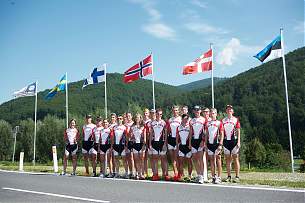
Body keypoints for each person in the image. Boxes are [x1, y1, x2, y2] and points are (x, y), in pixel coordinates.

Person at [222, 105, 241, 183]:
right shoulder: (223, 120)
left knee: (236, 159)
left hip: (234, 141)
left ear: (233, 111)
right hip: (226, 142)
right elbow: (221, 132)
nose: (229, 110)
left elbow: (238, 131)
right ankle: (229, 176)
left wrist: (239, 141)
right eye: (228, 109)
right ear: (226, 111)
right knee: (228, 160)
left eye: (230, 109)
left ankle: (237, 176)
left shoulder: (236, 120)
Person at [150, 108, 170, 181]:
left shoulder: (164, 122)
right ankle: (155, 174)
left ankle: (165, 174)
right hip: (154, 142)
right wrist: (150, 144)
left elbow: (166, 134)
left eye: (160, 114)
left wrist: (165, 144)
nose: (159, 115)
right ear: (156, 114)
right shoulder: (152, 123)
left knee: (163, 159)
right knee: (155, 159)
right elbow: (151, 133)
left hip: (162, 142)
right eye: (158, 114)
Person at [205, 108, 224, 184]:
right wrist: (205, 144)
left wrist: (220, 144)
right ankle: (213, 177)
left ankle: (219, 177)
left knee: (218, 160)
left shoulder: (219, 123)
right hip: (209, 144)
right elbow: (206, 134)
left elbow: (222, 134)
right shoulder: (207, 123)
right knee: (212, 161)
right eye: (211, 113)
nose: (212, 114)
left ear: (216, 114)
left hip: (217, 144)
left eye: (214, 113)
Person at [189, 105, 205, 184]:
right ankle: (199, 175)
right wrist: (189, 143)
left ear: (200, 111)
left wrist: (203, 140)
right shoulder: (191, 121)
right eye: (195, 110)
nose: (197, 111)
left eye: (198, 110)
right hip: (193, 141)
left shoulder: (203, 119)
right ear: (194, 111)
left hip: (200, 141)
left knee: (200, 158)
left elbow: (205, 132)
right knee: (194, 159)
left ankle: (202, 176)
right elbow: (191, 132)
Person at [167, 105, 181, 180]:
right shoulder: (170, 119)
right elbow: (168, 130)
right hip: (170, 139)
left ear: (178, 111)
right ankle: (175, 173)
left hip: (177, 140)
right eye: (174, 110)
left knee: (177, 158)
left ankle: (179, 173)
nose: (175, 112)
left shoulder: (180, 119)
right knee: (172, 158)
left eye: (176, 110)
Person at [130, 113, 146, 179]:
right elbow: (131, 136)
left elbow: (144, 137)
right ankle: (137, 173)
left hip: (141, 144)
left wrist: (144, 145)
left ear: (140, 118)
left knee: (141, 159)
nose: (137, 119)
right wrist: (131, 137)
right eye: (136, 117)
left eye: (138, 117)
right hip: (135, 144)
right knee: (136, 159)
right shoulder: (132, 127)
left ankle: (141, 173)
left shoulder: (143, 126)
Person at [176, 114, 192, 181]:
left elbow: (191, 136)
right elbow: (177, 138)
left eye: (186, 119)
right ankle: (182, 176)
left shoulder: (190, 127)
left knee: (189, 161)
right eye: (184, 119)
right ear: (182, 119)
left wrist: (190, 145)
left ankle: (189, 176)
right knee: (181, 162)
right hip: (181, 146)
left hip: (188, 146)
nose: (185, 120)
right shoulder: (178, 127)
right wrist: (177, 147)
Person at [181, 105, 193, 179]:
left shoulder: (191, 120)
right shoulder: (180, 120)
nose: (184, 111)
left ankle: (190, 175)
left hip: (189, 144)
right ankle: (182, 175)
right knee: (181, 160)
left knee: (189, 160)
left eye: (185, 110)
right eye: (182, 110)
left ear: (187, 110)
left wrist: (190, 143)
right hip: (182, 143)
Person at [125, 112, 135, 178]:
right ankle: (130, 172)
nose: (128, 117)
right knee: (128, 157)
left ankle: (134, 172)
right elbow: (125, 135)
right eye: (127, 116)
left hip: (133, 142)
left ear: (131, 116)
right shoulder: (125, 124)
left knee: (132, 158)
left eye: (129, 116)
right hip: (127, 142)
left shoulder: (133, 124)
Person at [143, 108, 151, 177]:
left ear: (149, 114)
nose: (145, 114)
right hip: (143, 140)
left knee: (151, 156)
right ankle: (145, 172)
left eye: (147, 113)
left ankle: (151, 172)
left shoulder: (150, 121)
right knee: (144, 157)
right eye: (144, 113)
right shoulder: (142, 121)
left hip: (149, 140)